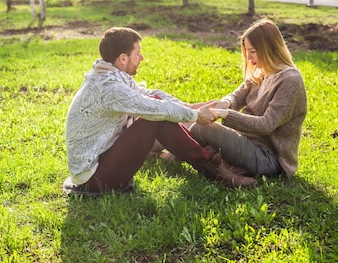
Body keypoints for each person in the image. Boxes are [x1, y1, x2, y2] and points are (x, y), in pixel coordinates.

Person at [64, 27, 257, 194]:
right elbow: (154, 109)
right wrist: (196, 117)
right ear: (123, 58)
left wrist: (190, 107)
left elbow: (152, 96)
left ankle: (212, 166)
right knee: (155, 118)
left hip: (102, 160)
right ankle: (214, 170)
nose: (142, 58)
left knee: (157, 109)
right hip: (94, 179)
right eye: (137, 54)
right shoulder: (109, 87)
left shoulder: (111, 75)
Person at [188, 18, 307, 179]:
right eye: (247, 52)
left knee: (202, 128)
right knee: (189, 120)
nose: (249, 57)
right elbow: (237, 95)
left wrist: (225, 114)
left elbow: (266, 125)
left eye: (252, 51)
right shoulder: (262, 72)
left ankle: (173, 157)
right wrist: (226, 103)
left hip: (270, 158)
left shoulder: (290, 80)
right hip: (247, 143)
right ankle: (214, 163)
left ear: (269, 48)